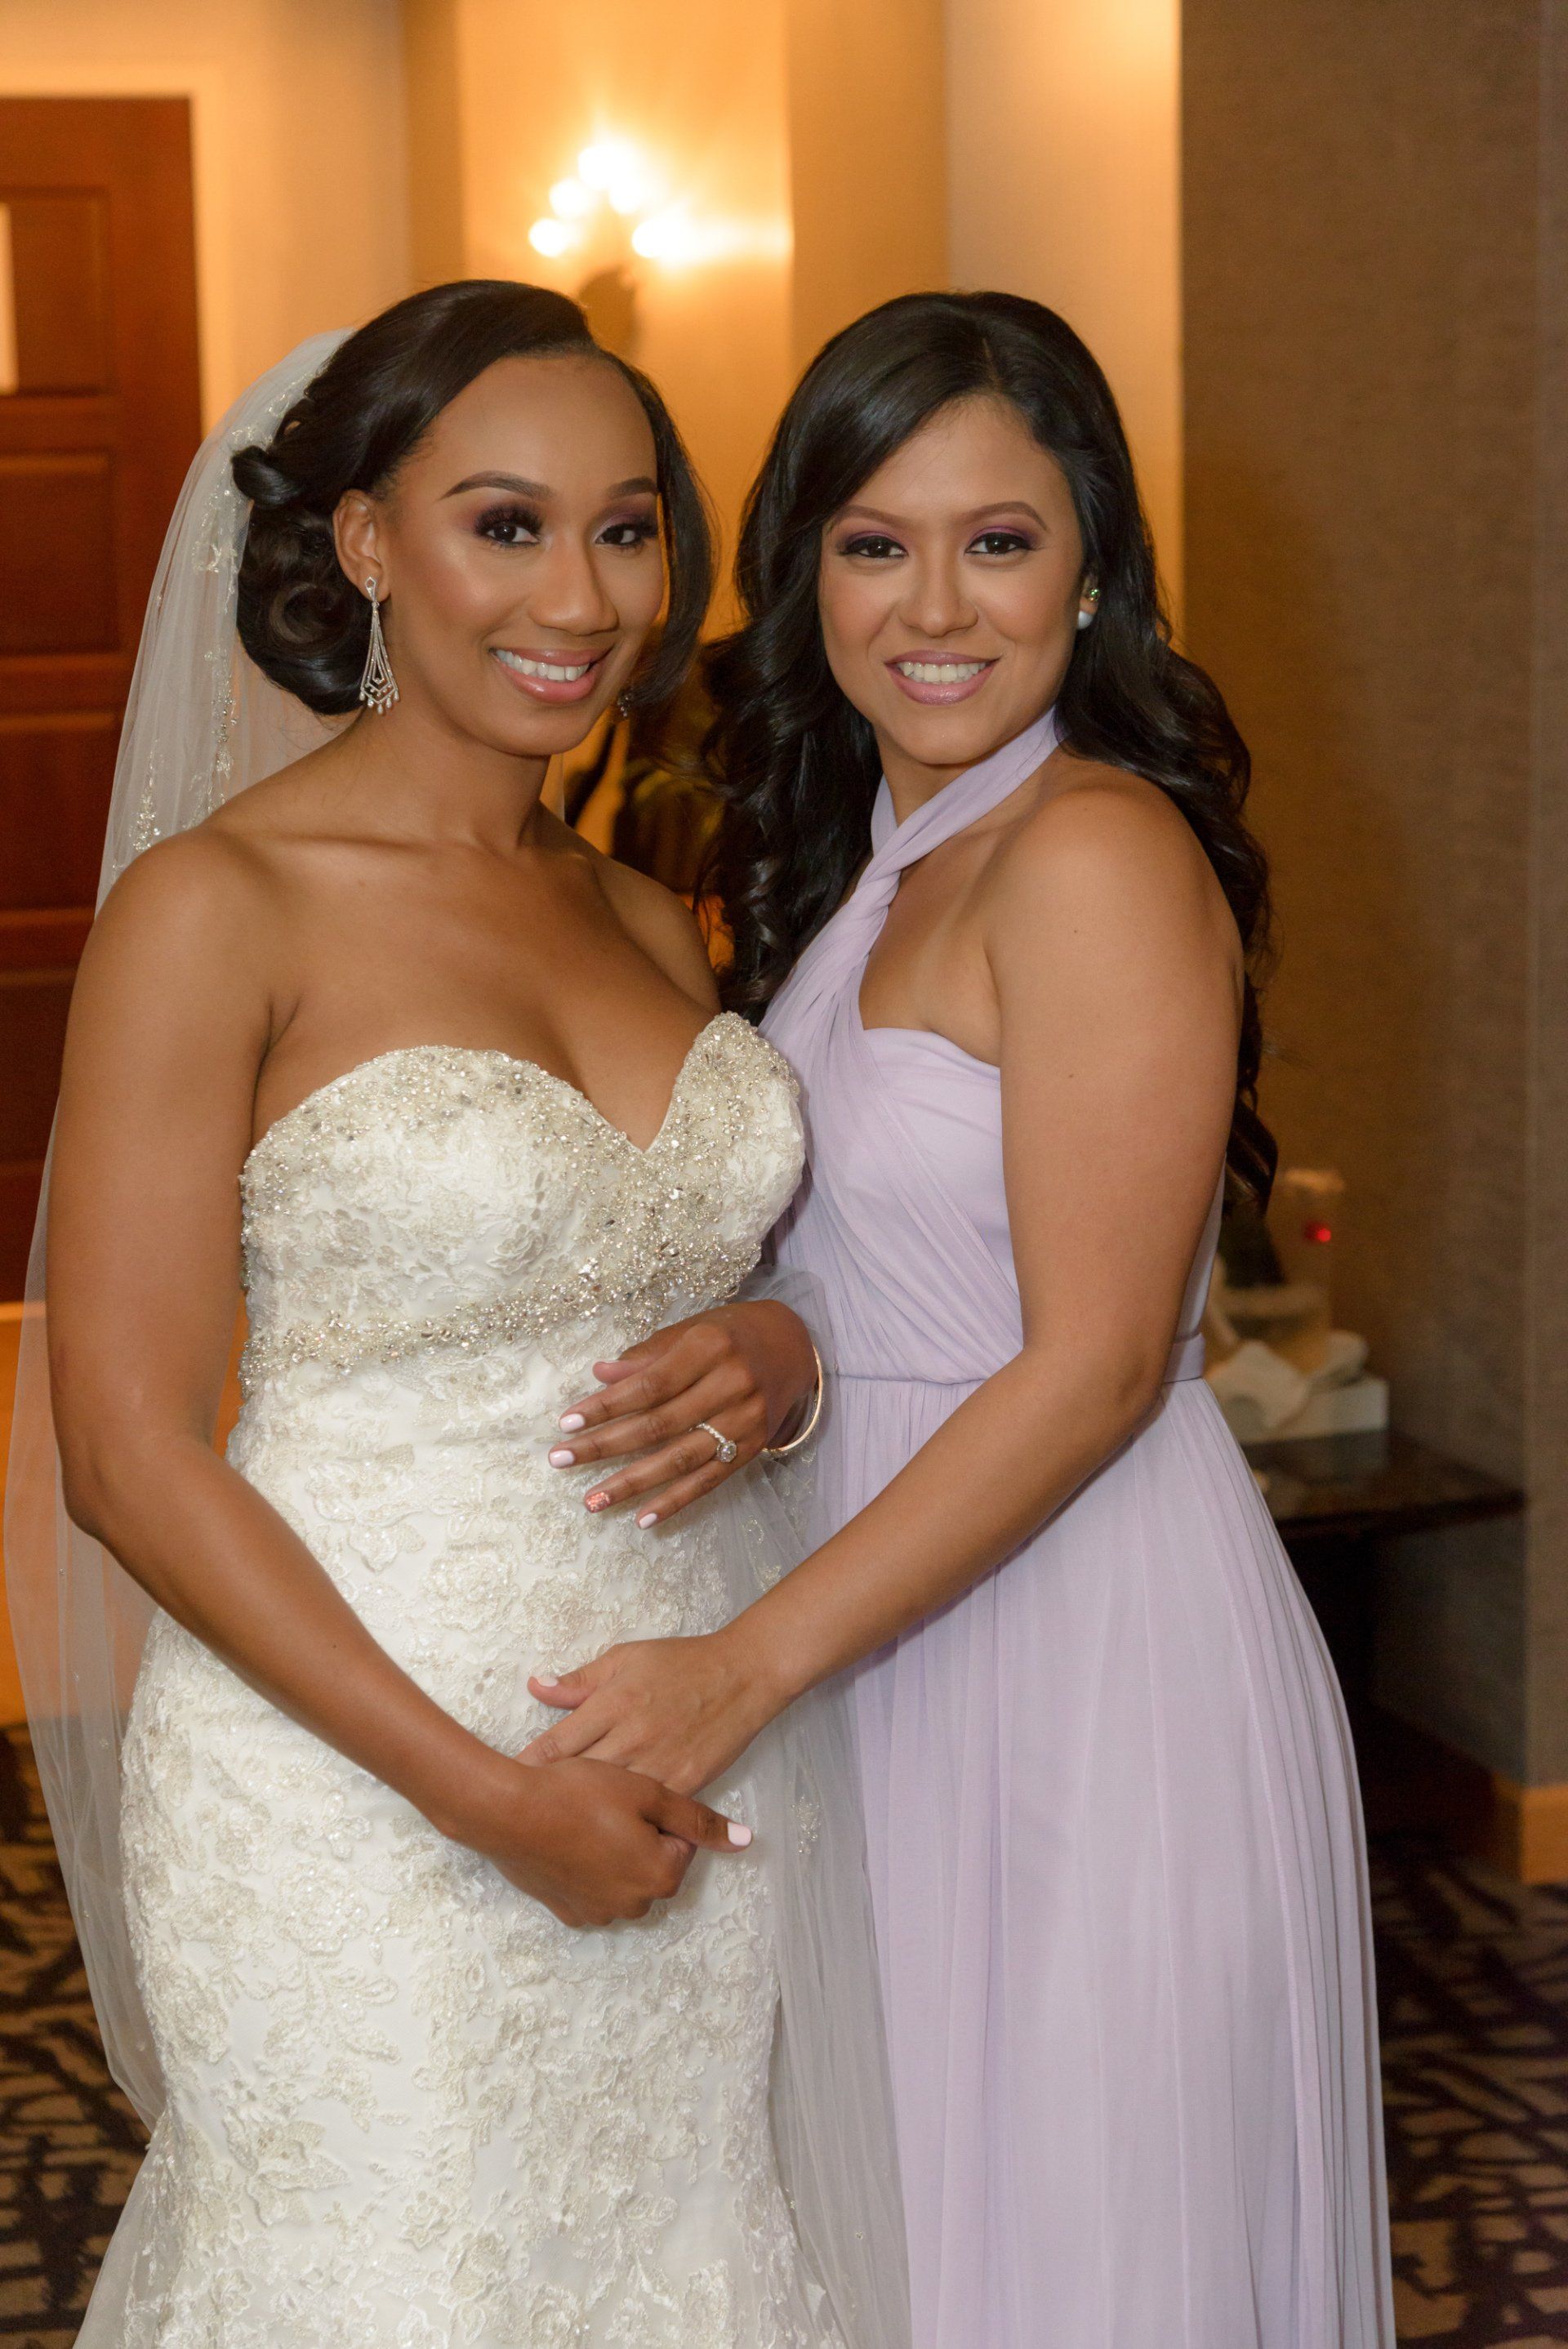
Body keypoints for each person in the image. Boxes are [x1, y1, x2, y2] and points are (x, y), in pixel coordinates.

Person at [6, 281, 906, 2347]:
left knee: (673, 2263)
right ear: (363, 546)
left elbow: (708, 1291)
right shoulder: (214, 909)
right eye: (504, 523)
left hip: (689, 1749)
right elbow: (128, 1452)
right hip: (355, 1777)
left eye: (626, 525)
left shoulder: (640, 908)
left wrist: (782, 1362)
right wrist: (483, 1794)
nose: (579, 595)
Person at [525, 292, 1396, 2347]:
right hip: (898, 1620)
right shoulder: (882, 862)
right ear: (804, 562)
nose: (936, 604)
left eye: (998, 541)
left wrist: (741, 1667)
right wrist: (791, 1359)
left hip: (1077, 1648)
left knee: (1066, 2254)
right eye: (873, 541)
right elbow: (895, 1271)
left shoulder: (1090, 847)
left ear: (1092, 566)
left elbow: (1092, 1365)